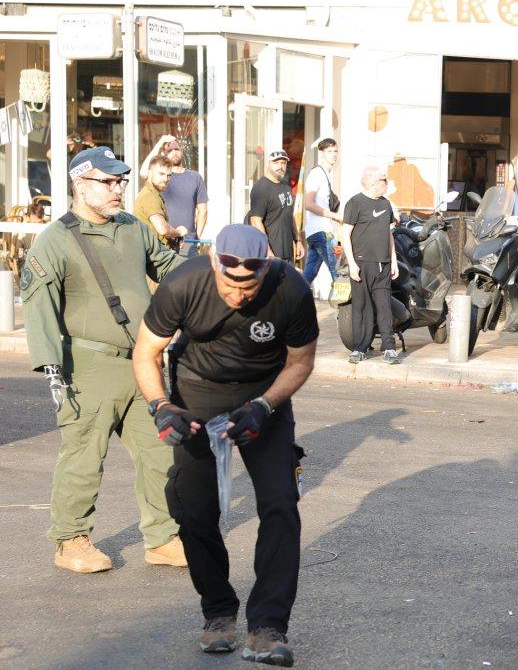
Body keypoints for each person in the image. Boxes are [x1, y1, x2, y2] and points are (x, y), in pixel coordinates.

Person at [131, 225, 319, 666]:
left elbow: (301, 361)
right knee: (193, 508)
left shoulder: (290, 289)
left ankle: (268, 627)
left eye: (248, 287)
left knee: (280, 504)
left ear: (266, 268)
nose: (237, 296)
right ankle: (218, 612)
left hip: (263, 395)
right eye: (229, 285)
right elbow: (145, 352)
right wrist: (162, 406)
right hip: (197, 390)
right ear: (215, 263)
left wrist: (264, 407)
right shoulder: (183, 284)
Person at [20, 146, 187, 573]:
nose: (118, 189)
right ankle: (71, 540)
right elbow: (38, 305)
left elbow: (169, 266)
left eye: (121, 181)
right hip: (88, 367)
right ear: (80, 183)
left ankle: (163, 537)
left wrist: (213, 274)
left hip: (142, 364)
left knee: (160, 453)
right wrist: (51, 367)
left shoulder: (131, 227)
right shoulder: (56, 239)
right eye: (108, 182)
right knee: (83, 457)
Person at [342, 166, 400, 365]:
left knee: (384, 307)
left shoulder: (386, 204)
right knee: (361, 307)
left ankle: (389, 347)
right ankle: (359, 348)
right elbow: (345, 235)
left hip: (383, 264)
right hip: (361, 264)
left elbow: (388, 233)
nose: (387, 182)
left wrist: (393, 260)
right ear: (373, 183)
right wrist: (352, 264)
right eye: (384, 179)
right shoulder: (354, 203)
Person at [140, 134, 209, 253]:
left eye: (176, 149)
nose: (174, 152)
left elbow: (203, 211)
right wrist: (160, 142)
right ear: (164, 154)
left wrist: (195, 238)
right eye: (170, 150)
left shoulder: (195, 177)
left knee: (188, 266)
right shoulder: (161, 178)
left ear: (182, 151)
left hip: (187, 242)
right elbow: (144, 172)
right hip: (163, 241)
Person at [249, 150, 304, 263]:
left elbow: (289, 215)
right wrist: (267, 250)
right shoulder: (261, 188)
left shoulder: (286, 185)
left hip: (287, 252)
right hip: (269, 254)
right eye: (276, 162)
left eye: (283, 163)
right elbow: (255, 220)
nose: (280, 166)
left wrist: (298, 241)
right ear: (268, 164)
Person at [302, 138, 343, 284]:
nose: (333, 154)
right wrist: (335, 216)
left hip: (317, 232)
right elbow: (309, 204)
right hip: (322, 233)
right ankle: (344, 303)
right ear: (321, 153)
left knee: (309, 274)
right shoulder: (317, 174)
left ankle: (293, 296)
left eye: (335, 151)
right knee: (339, 273)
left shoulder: (326, 174)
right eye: (329, 151)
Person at [134, 155, 187, 249]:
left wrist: (175, 240)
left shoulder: (153, 194)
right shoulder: (149, 195)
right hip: (152, 254)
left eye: (169, 175)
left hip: (156, 250)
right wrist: (179, 232)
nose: (166, 179)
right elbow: (163, 229)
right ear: (150, 174)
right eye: (161, 174)